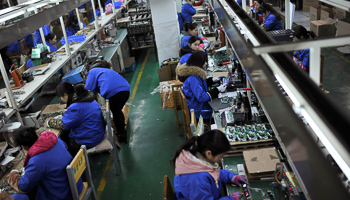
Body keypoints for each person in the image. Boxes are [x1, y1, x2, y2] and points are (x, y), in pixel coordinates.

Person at [7, 127, 83, 200]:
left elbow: (24, 186)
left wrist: (13, 175)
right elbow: (65, 146)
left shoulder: (36, 161)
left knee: (23, 195)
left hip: (63, 195)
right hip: (77, 185)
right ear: (36, 134)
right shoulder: (54, 139)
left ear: (24, 147)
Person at [172, 130, 246, 200]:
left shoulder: (195, 154)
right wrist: (230, 198)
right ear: (209, 153)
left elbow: (212, 173)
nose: (220, 159)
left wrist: (230, 177)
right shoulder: (198, 180)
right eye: (220, 156)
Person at [85, 60, 130, 143]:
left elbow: (88, 90)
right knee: (118, 111)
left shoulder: (92, 71)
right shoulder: (107, 70)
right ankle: (122, 130)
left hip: (114, 93)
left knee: (116, 113)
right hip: (126, 90)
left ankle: (121, 134)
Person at [55, 82, 105, 156]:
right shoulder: (87, 97)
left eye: (61, 97)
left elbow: (65, 124)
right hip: (98, 133)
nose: (62, 100)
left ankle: (74, 162)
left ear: (65, 95)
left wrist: (49, 122)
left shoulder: (76, 106)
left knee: (63, 137)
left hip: (89, 141)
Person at [176, 51, 227, 122]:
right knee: (222, 114)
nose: (206, 63)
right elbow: (202, 97)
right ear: (198, 62)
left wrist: (212, 80)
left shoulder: (194, 74)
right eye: (204, 61)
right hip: (200, 112)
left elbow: (199, 85)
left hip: (197, 106)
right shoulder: (193, 78)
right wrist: (217, 90)